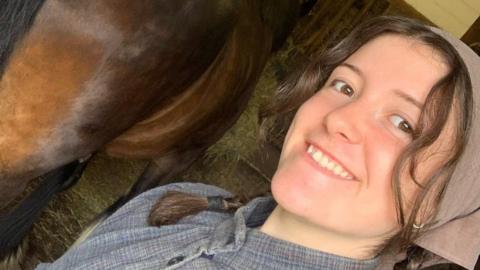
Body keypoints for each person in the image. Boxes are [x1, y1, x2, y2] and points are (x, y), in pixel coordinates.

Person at [35, 16, 480, 270]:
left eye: (403, 123)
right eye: (344, 86)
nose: (341, 119)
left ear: (438, 204)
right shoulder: (183, 203)